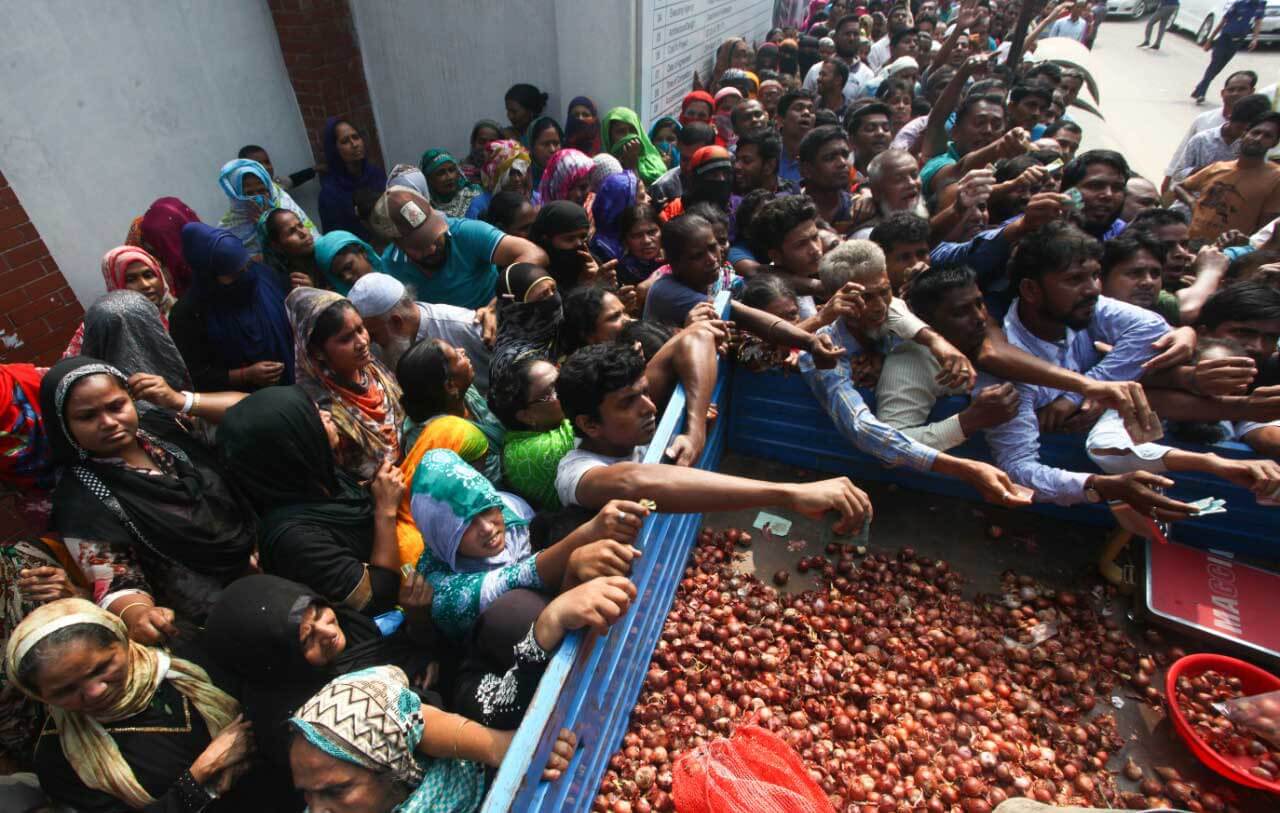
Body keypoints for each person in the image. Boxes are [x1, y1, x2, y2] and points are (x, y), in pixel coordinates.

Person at [983, 222, 1205, 515]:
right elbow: (1017, 469)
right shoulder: (1011, 371)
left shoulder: (1085, 308)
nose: (1092, 290)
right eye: (1074, 279)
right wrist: (1101, 486)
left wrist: (1077, 395)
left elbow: (1151, 329)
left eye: (1096, 276)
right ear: (1031, 290)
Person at [554, 342, 873, 531]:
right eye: (628, 403)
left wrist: (694, 431)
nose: (649, 407)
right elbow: (634, 481)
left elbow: (695, 338)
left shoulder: (630, 423)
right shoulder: (575, 474)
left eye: (646, 392)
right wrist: (787, 493)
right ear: (590, 425)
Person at [39, 357, 254, 632]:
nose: (108, 422)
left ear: (131, 399)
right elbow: (116, 580)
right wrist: (140, 615)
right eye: (87, 416)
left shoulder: (164, 430)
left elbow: (252, 411)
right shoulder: (81, 499)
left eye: (116, 406)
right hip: (212, 614)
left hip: (263, 557)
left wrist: (179, 401)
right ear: (64, 425)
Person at [7, 598, 261, 812]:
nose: (96, 691)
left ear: (123, 639)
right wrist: (199, 777)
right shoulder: (62, 759)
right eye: (66, 690)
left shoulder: (185, 650)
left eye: (102, 668)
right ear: (40, 695)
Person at [218, 386, 407, 618]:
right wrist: (385, 510)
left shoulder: (317, 475)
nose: (327, 415)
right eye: (314, 416)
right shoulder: (296, 540)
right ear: (291, 444)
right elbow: (378, 598)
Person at [287, 288, 405, 482]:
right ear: (316, 352)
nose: (361, 342)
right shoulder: (320, 410)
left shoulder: (371, 368)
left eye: (360, 329)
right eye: (345, 339)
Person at [377, 187, 546, 313]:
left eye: (433, 236)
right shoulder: (390, 266)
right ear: (397, 244)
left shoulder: (466, 233)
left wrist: (495, 306)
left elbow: (535, 254)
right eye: (418, 246)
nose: (431, 248)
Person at [169, 222, 295, 391]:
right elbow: (196, 374)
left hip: (296, 384)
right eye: (235, 273)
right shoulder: (188, 314)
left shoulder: (265, 276)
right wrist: (245, 375)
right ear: (209, 274)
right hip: (246, 403)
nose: (247, 275)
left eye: (247, 265)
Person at [349, 272, 492, 390]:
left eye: (373, 335)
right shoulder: (373, 346)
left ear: (396, 322)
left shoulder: (463, 326)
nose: (367, 341)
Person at [1178, 113, 1280, 242]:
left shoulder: (1275, 178)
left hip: (1228, 253)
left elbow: (1266, 225)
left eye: (1267, 136)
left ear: (1274, 143)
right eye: (1255, 132)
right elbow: (1180, 187)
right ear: (1244, 134)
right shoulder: (1219, 167)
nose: (1258, 138)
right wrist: (1193, 204)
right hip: (1191, 243)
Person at [490, 356, 576, 510]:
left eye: (560, 374)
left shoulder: (542, 426)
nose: (567, 385)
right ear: (527, 415)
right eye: (552, 389)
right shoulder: (527, 453)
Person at [64, 246, 177, 359]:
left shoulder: (181, 311)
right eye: (131, 280)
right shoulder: (106, 326)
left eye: (148, 275)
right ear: (115, 284)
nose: (145, 285)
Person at [1165, 71, 1257, 194]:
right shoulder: (1204, 120)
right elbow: (1182, 155)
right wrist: (1168, 178)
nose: (1235, 94)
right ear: (1223, 93)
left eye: (1241, 89)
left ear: (1252, 92)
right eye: (1231, 89)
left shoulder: (1258, 129)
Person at [217, 158, 318, 260]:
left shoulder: (284, 204)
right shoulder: (227, 232)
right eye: (249, 193)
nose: (258, 198)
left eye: (262, 190)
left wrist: (271, 221)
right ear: (236, 197)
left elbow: (312, 239)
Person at [1170, 93, 1272, 183]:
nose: (1244, 134)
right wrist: (1210, 171)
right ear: (1229, 117)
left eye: (1250, 131)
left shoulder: (1254, 146)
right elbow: (1178, 174)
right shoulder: (1202, 140)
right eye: (1240, 128)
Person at [318, 118, 386, 240]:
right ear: (334, 149)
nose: (354, 144)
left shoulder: (377, 175)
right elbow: (336, 240)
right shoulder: (330, 194)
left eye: (356, 137)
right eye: (345, 141)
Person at [1190, 0, 1265, 104]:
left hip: (1237, 41)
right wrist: (1210, 40)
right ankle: (1201, 93)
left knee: (1218, 67)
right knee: (1214, 65)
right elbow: (1223, 21)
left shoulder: (1261, 4)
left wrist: (1255, 38)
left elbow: (1258, 21)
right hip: (1225, 39)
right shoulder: (1240, 4)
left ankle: (1199, 89)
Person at [1101, 231, 1182, 325]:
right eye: (1135, 273)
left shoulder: (1165, 315)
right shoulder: (1085, 324)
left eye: (1155, 274)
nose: (1149, 282)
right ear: (1102, 278)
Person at [798, 125, 859, 235]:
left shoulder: (859, 208)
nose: (842, 163)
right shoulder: (791, 211)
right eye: (830, 158)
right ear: (806, 169)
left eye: (845, 155)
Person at [1060, 150, 1130, 241]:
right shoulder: (1039, 231)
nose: (1109, 195)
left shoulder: (1122, 243)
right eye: (1096, 186)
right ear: (1067, 189)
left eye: (1118, 188)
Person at [531, 200, 600, 292]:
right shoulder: (535, 275)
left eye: (583, 236)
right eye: (569, 239)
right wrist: (582, 287)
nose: (579, 244)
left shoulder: (590, 263)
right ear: (546, 239)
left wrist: (603, 283)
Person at [649, 122, 717, 207]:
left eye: (696, 160)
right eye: (684, 159)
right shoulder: (663, 188)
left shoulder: (722, 180)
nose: (689, 167)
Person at [466, 139, 535, 219]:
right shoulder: (480, 205)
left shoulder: (535, 198)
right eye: (510, 173)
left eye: (520, 172)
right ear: (495, 175)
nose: (517, 179)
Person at [257, 207, 321, 291]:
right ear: (276, 246)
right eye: (292, 231)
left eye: (301, 225)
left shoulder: (327, 257)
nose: (303, 233)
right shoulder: (284, 284)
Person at [601, 107, 668, 186]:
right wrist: (631, 167)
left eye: (633, 130)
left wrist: (633, 164)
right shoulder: (604, 168)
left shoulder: (653, 160)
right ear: (609, 137)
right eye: (621, 131)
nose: (629, 136)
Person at [314, 229, 386, 295]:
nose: (347, 277)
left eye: (348, 267)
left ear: (363, 252)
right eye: (340, 276)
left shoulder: (394, 268)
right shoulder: (353, 306)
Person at [590, 171, 643, 263]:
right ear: (623, 204)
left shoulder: (626, 236)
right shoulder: (604, 250)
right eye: (642, 197)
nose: (649, 199)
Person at [734, 126, 798, 198]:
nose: (736, 166)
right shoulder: (730, 194)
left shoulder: (791, 193)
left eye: (746, 161)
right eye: (736, 159)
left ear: (769, 166)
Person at [418, 149, 483, 218]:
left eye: (451, 170)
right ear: (429, 179)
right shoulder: (422, 206)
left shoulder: (474, 195)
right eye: (441, 173)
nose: (449, 177)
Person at [845, 102, 895, 183]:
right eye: (870, 128)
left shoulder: (901, 171)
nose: (880, 133)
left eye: (886, 128)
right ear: (852, 139)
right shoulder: (841, 174)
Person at [777, 89, 818, 184]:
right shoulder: (769, 154)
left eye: (811, 110)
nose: (806, 113)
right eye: (799, 108)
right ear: (780, 119)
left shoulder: (820, 158)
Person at [238, 143, 315, 192]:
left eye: (267, 162)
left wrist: (314, 169)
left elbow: (293, 179)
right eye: (259, 164)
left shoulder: (276, 184)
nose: (266, 167)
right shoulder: (248, 200)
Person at [460, 119, 505, 184]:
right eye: (482, 142)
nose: (487, 147)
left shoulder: (505, 169)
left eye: (493, 143)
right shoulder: (462, 170)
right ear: (473, 142)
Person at [525, 115, 565, 189]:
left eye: (556, 143)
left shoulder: (569, 176)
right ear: (531, 146)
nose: (552, 149)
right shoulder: (520, 180)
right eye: (545, 144)